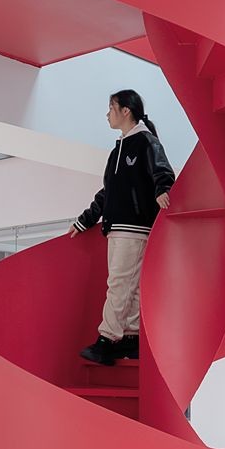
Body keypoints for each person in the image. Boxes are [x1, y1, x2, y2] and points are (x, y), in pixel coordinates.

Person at [67, 89, 175, 364]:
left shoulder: (145, 142)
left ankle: (107, 339)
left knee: (118, 283)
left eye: (111, 108)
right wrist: (86, 219)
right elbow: (108, 192)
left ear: (125, 110)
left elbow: (163, 171)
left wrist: (162, 189)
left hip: (134, 226)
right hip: (118, 226)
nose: (107, 114)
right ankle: (130, 337)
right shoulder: (119, 148)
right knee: (129, 284)